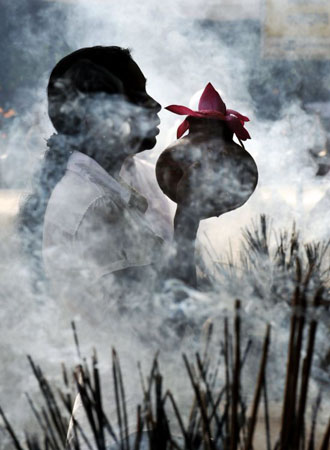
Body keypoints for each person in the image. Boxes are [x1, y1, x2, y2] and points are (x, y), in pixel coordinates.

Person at [19, 46, 175, 317]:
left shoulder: (138, 174)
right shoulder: (94, 203)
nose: (155, 105)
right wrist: (189, 219)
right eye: (136, 96)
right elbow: (148, 319)